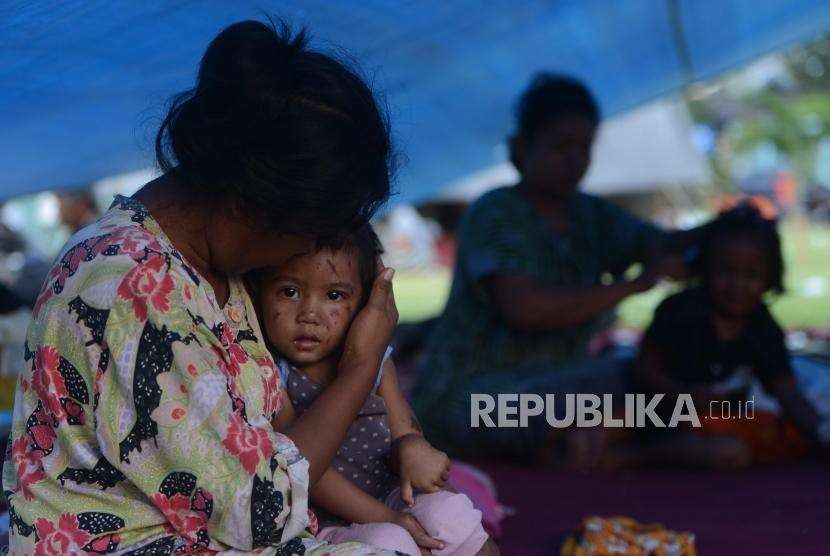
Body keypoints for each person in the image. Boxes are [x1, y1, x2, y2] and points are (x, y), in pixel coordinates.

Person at [3, 20, 402, 554]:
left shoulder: (213, 269)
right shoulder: (132, 287)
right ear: (252, 203)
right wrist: (360, 365)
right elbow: (260, 514)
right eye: (310, 231)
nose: (304, 252)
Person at [411, 74, 689, 464]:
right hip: (473, 401)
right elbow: (527, 308)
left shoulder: (591, 215)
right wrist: (633, 285)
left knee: (649, 377)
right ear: (522, 148)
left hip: (552, 389)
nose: (575, 160)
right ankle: (617, 446)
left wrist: (725, 232)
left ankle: (598, 440)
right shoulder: (497, 212)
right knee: (628, 380)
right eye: (561, 146)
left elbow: (664, 243)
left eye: (585, 147)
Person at [255, 225, 496, 555]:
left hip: (393, 495)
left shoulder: (376, 359)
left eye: (334, 296)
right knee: (389, 544)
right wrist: (389, 519)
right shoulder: (272, 374)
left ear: (367, 302)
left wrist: (413, 449)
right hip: (323, 521)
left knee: (451, 515)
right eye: (289, 292)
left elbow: (404, 430)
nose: (309, 314)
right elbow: (303, 470)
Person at [631, 205, 830, 467]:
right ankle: (630, 454)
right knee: (612, 420)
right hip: (660, 411)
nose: (737, 286)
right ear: (704, 268)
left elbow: (787, 393)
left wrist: (820, 434)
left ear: (770, 277)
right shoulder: (679, 311)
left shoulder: (763, 327)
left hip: (715, 422)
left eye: (751, 275)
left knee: (738, 448)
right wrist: (685, 396)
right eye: (726, 272)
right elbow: (644, 371)